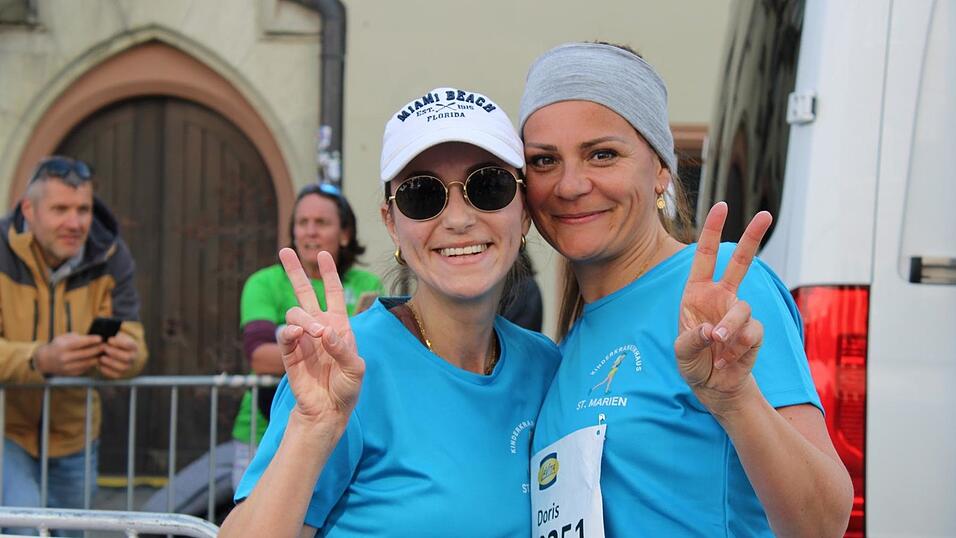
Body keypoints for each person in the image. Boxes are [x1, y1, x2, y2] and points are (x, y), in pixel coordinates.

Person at [519, 43, 853, 537]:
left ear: (660, 169)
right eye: (545, 161)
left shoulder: (721, 288)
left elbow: (823, 524)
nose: (569, 185)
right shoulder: (565, 348)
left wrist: (736, 399)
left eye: (602, 154)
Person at [220, 87, 560, 537]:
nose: (458, 219)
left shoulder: (545, 366)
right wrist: (313, 427)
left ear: (524, 212)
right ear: (391, 224)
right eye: (423, 196)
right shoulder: (346, 366)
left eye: (488, 186)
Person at [0, 156, 147, 529]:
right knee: (24, 527)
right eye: (61, 209)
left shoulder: (112, 254)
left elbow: (133, 336)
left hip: (76, 436)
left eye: (83, 209)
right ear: (28, 210)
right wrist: (40, 360)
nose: (76, 223)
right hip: (7, 430)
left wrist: (126, 359)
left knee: (71, 532)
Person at [229, 182, 383, 490]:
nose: (310, 231)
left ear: (345, 233)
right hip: (264, 431)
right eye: (303, 223)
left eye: (322, 223)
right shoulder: (264, 282)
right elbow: (259, 356)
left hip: (348, 430)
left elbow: (379, 357)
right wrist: (333, 351)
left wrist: (306, 350)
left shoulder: (370, 283)